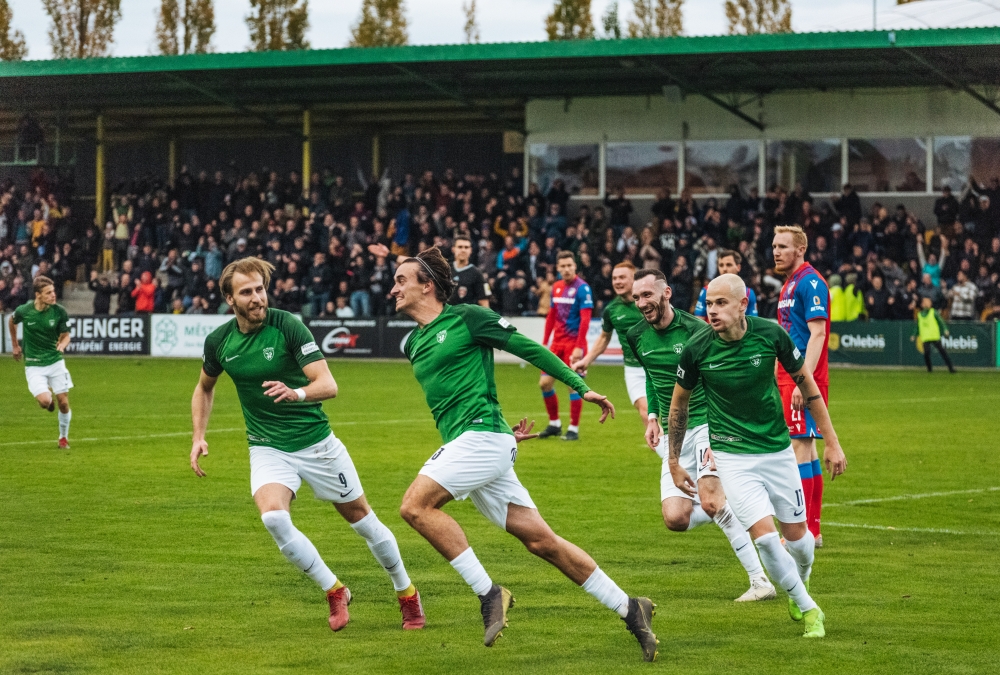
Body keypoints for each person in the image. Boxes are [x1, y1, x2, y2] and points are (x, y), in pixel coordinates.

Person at [390, 247, 658, 660]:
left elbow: (528, 349)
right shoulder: (414, 343)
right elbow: (463, 392)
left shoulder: (468, 317)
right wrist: (502, 434)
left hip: (480, 441)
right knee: (542, 542)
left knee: (414, 507)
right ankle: (630, 608)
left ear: (427, 285)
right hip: (480, 441)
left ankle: (489, 593)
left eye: (401, 280)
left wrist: (579, 386)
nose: (393, 287)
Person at [189, 258, 426, 633]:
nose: (257, 298)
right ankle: (334, 589)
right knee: (273, 517)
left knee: (364, 522)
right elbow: (204, 387)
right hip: (267, 447)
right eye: (247, 292)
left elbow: (328, 384)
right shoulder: (219, 341)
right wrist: (198, 436)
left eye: (260, 289)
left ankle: (407, 594)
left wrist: (296, 392)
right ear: (229, 299)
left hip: (317, 445)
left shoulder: (287, 325)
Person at [668, 273, 848, 639]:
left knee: (800, 541)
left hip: (777, 451)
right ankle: (810, 609)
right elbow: (679, 406)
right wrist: (673, 461)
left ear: (742, 305)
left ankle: (802, 582)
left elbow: (807, 385)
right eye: (709, 303)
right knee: (766, 539)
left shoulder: (770, 335)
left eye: (720, 303)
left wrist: (832, 441)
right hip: (732, 456)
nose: (711, 311)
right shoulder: (697, 347)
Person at [626, 269, 775, 602]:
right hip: (674, 432)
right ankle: (729, 508)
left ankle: (760, 582)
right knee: (676, 518)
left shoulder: (698, 330)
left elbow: (719, 378)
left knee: (709, 499)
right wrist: (652, 415)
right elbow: (653, 377)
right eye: (636, 297)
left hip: (709, 424)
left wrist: (720, 432)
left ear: (666, 294)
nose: (641, 303)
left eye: (647, 295)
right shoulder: (636, 335)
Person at [773, 225, 830, 546]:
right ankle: (813, 530)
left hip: (801, 377)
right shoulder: (791, 284)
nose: (776, 251)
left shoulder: (810, 282)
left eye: (782, 246)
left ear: (800, 250)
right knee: (806, 449)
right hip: (790, 376)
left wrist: (802, 380)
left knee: (799, 449)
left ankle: (802, 531)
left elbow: (818, 333)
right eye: (774, 246)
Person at [570, 261, 648, 426]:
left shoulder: (650, 302)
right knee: (646, 413)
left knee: (676, 415)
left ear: (634, 279)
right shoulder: (611, 310)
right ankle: (667, 452)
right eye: (614, 278)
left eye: (622, 277)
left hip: (660, 365)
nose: (617, 282)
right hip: (634, 369)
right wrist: (586, 361)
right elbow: (604, 338)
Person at [9, 275, 74, 448]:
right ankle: (49, 400)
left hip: (55, 361)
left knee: (64, 402)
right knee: (45, 402)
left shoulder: (59, 311)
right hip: (34, 364)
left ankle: (63, 438)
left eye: (53, 291)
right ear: (38, 295)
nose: (53, 295)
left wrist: (62, 344)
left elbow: (66, 335)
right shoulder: (25, 310)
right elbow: (12, 320)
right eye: (49, 293)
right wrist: (15, 345)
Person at [538, 251, 594, 441]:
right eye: (563, 266)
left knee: (572, 386)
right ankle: (554, 424)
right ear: (558, 268)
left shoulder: (583, 289)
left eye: (569, 265)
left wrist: (579, 347)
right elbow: (552, 316)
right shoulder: (556, 287)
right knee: (544, 383)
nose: (566, 269)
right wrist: (545, 342)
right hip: (557, 344)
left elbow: (585, 320)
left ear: (575, 266)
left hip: (574, 345)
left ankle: (573, 428)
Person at [693, 249, 758, 321]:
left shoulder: (748, 293)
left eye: (728, 265)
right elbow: (698, 320)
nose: (724, 269)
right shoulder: (707, 291)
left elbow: (753, 322)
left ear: (738, 267)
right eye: (721, 265)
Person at [912, 296, 956, 373]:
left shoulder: (933, 312)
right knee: (927, 353)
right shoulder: (920, 315)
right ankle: (929, 369)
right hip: (926, 337)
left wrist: (945, 329)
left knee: (942, 352)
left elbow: (941, 321)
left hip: (934, 336)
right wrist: (914, 334)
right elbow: (917, 326)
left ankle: (951, 368)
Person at [450, 235, 491, 307]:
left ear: (471, 250)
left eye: (466, 247)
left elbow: (484, 303)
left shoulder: (477, 274)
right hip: (448, 316)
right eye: (460, 247)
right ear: (453, 249)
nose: (463, 250)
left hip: (468, 317)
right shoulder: (445, 270)